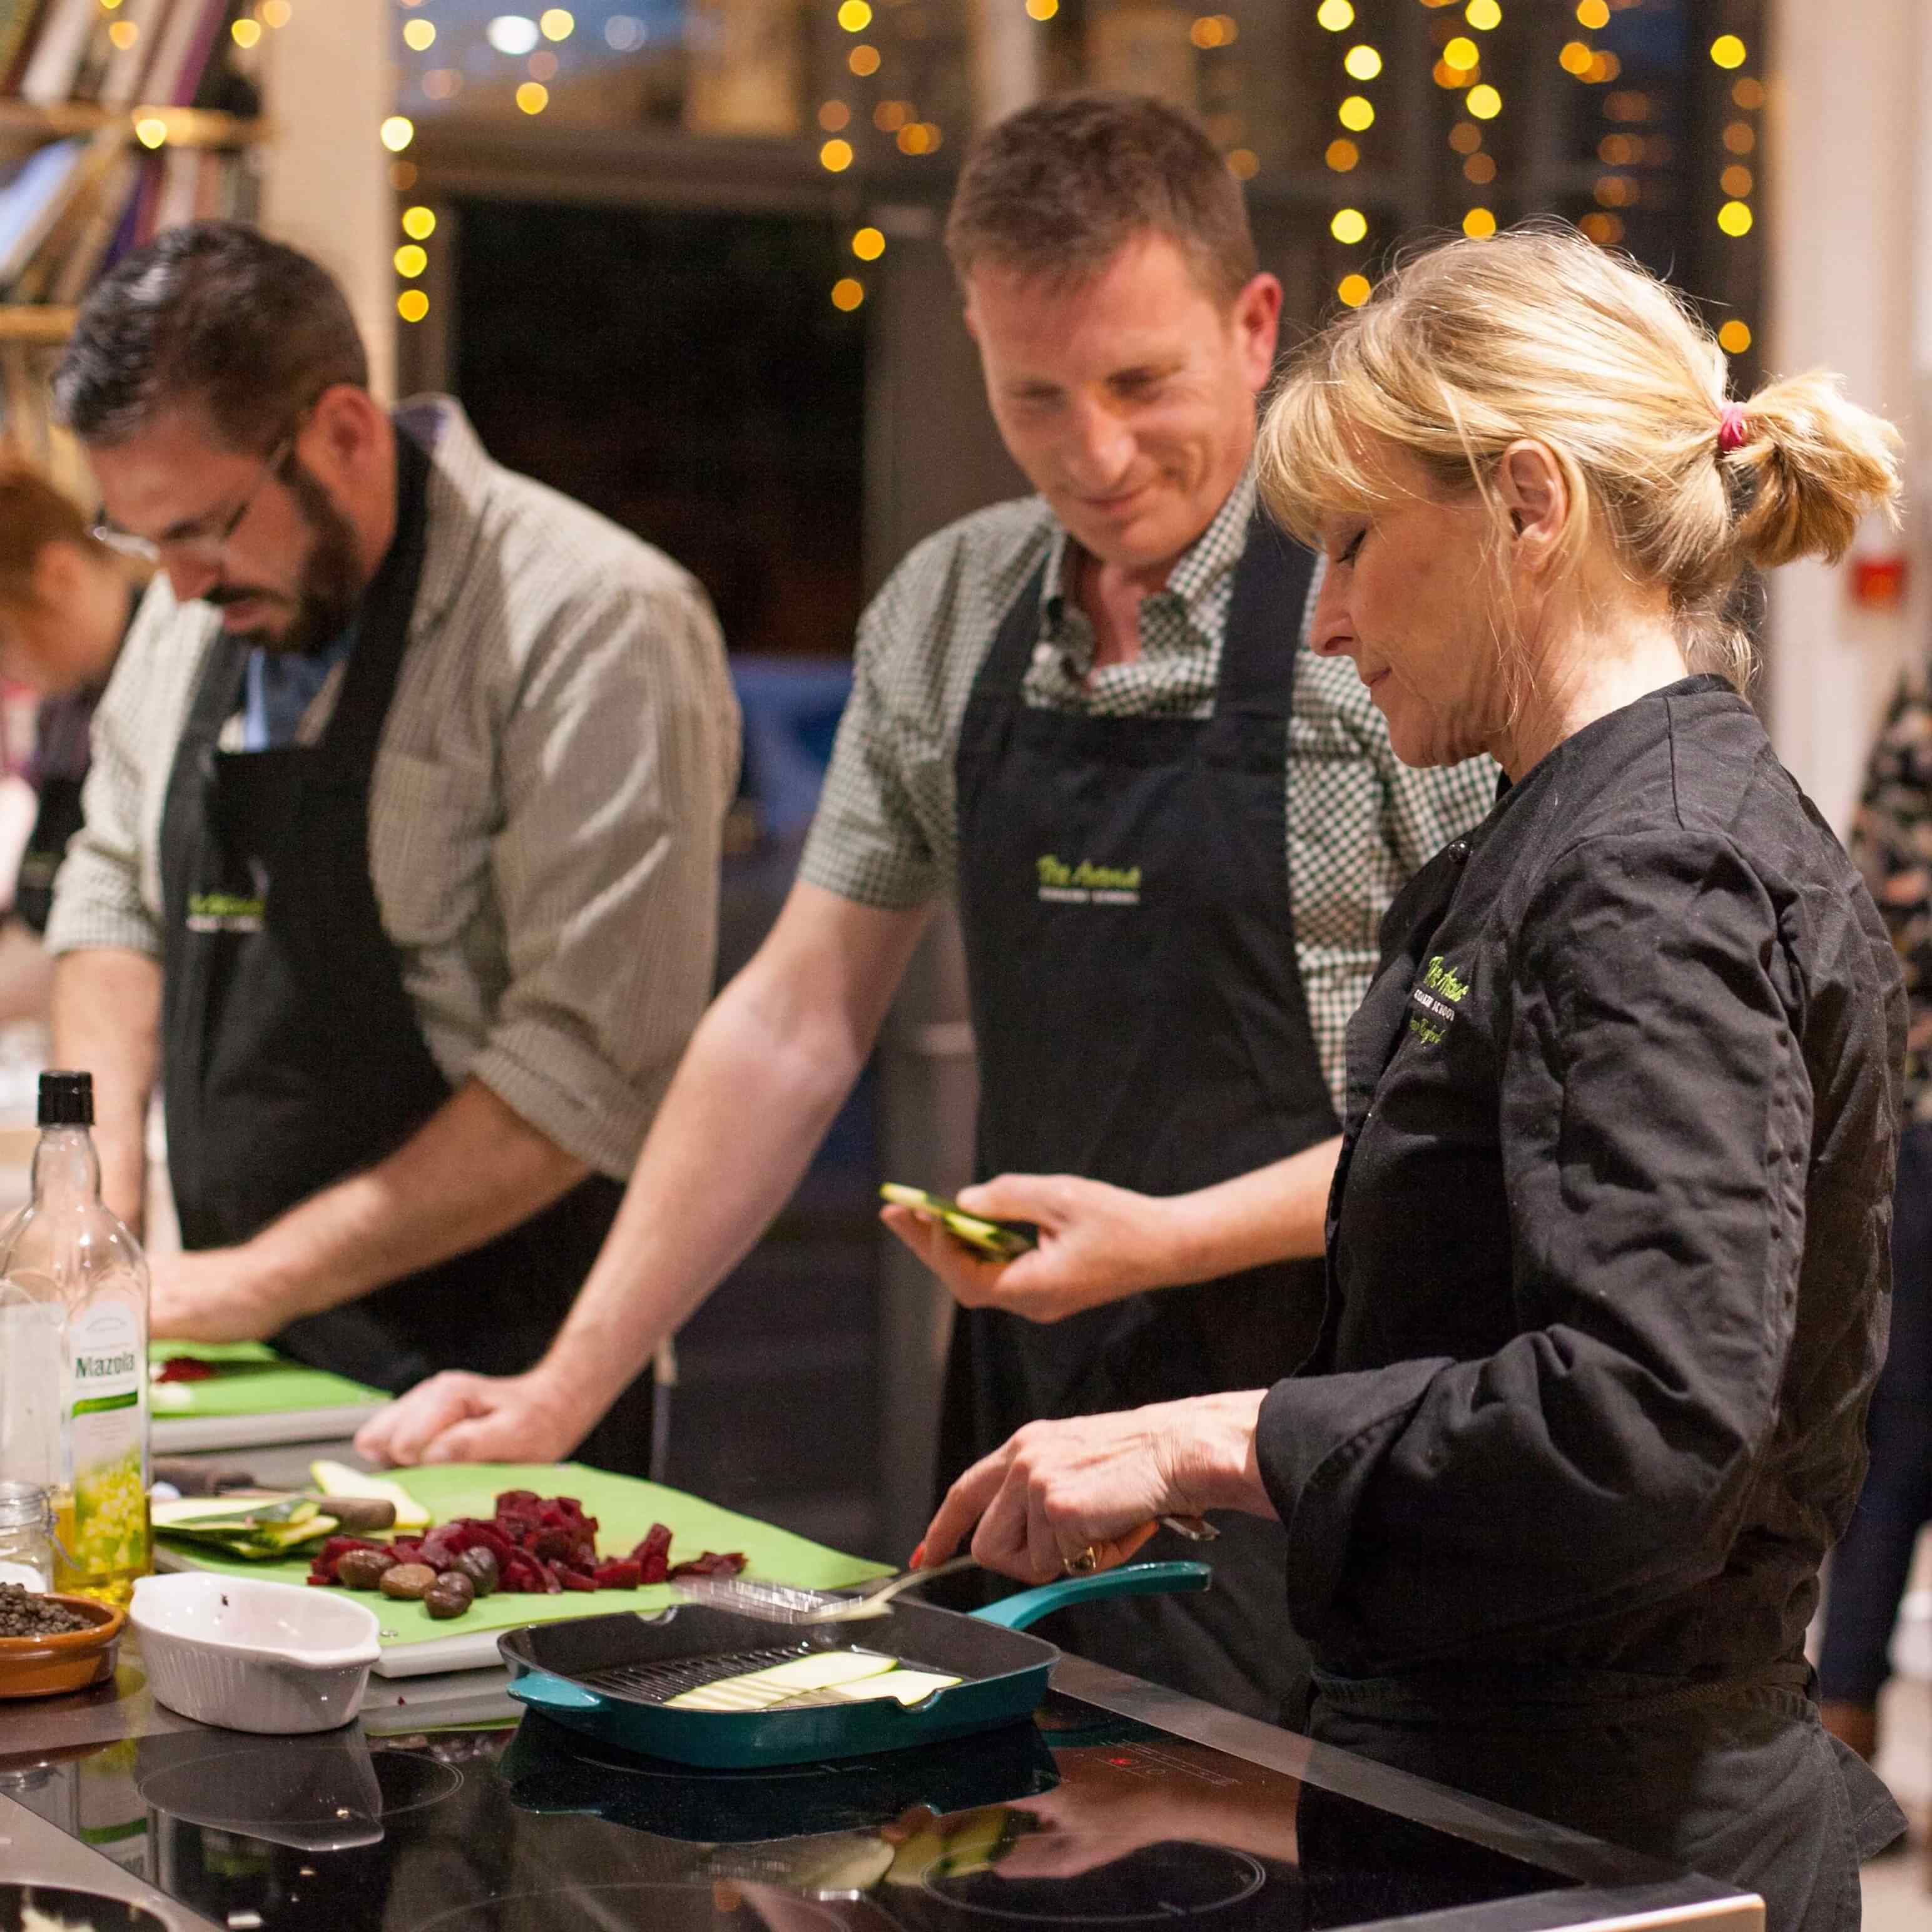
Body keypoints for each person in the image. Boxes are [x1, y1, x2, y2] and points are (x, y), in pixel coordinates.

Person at [357, 93, 1493, 1724]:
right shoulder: (950, 606)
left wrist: (1161, 1242)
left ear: (1256, 330)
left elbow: (1472, 1113)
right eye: (1036, 396)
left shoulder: (1377, 603)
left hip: (1327, 1425)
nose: (1094, 455)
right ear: (972, 340)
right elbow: (795, 1020)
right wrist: (568, 1381)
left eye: (1140, 384)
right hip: (1029, 1419)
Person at [915, 226, 1908, 1932]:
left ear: (1530, 507)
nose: (1324, 626)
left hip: (1615, 1839)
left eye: (1356, 546)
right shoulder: (1569, 837)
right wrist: (1199, 1795)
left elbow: (1644, 1420)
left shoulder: (1653, 874)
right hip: (1488, 1800)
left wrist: (1202, 1437)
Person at [45, 222, 740, 1475]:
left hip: (486, 1385)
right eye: (141, 541)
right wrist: (88, 1210)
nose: (182, 586)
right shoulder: (192, 600)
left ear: (346, 433)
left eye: (203, 529)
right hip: (228, 1355)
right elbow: (115, 891)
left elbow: (583, 1067)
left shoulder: (591, 622)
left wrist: (239, 1284)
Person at [1814, 683, 1932, 1769]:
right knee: (1891, 1437)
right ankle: (1841, 1717)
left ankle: (1843, 1721)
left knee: (1891, 1436)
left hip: (1916, 1117)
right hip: (1922, 1129)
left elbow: (1867, 914)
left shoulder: (1912, 708)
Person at [0, 462, 146, 1019]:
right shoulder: (62, 710)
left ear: (59, 575)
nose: (6, 670)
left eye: (3, 639)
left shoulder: (167, 679)